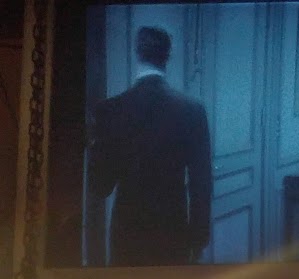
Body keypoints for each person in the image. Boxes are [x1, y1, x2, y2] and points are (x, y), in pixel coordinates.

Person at [86, 26, 212, 266]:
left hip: (127, 233)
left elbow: (100, 186)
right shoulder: (193, 110)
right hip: (173, 231)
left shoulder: (109, 110)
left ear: (137, 53)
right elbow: (201, 184)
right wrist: (198, 241)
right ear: (168, 56)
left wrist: (95, 142)